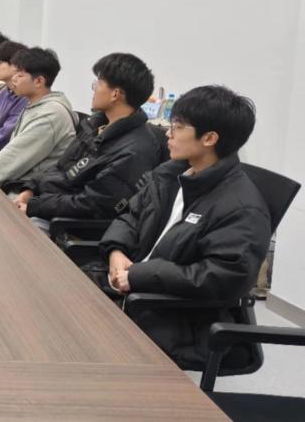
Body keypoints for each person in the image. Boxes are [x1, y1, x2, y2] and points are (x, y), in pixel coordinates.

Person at [98, 85, 270, 369]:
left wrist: (140, 275)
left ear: (209, 138)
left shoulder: (241, 207)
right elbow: (131, 215)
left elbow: (222, 276)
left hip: (177, 320)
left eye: (177, 127)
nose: (168, 134)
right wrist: (116, 251)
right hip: (133, 293)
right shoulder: (170, 175)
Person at [12, 53, 163, 228]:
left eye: (98, 84)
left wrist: (35, 207)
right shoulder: (96, 125)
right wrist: (30, 190)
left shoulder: (135, 151)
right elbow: (61, 167)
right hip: (47, 204)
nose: (94, 90)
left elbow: (92, 204)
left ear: (115, 94)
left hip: (65, 224)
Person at [0, 48, 77, 186]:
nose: (13, 79)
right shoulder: (35, 105)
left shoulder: (49, 115)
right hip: (18, 181)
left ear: (39, 81)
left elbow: (11, 160)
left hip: (25, 189)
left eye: (19, 75)